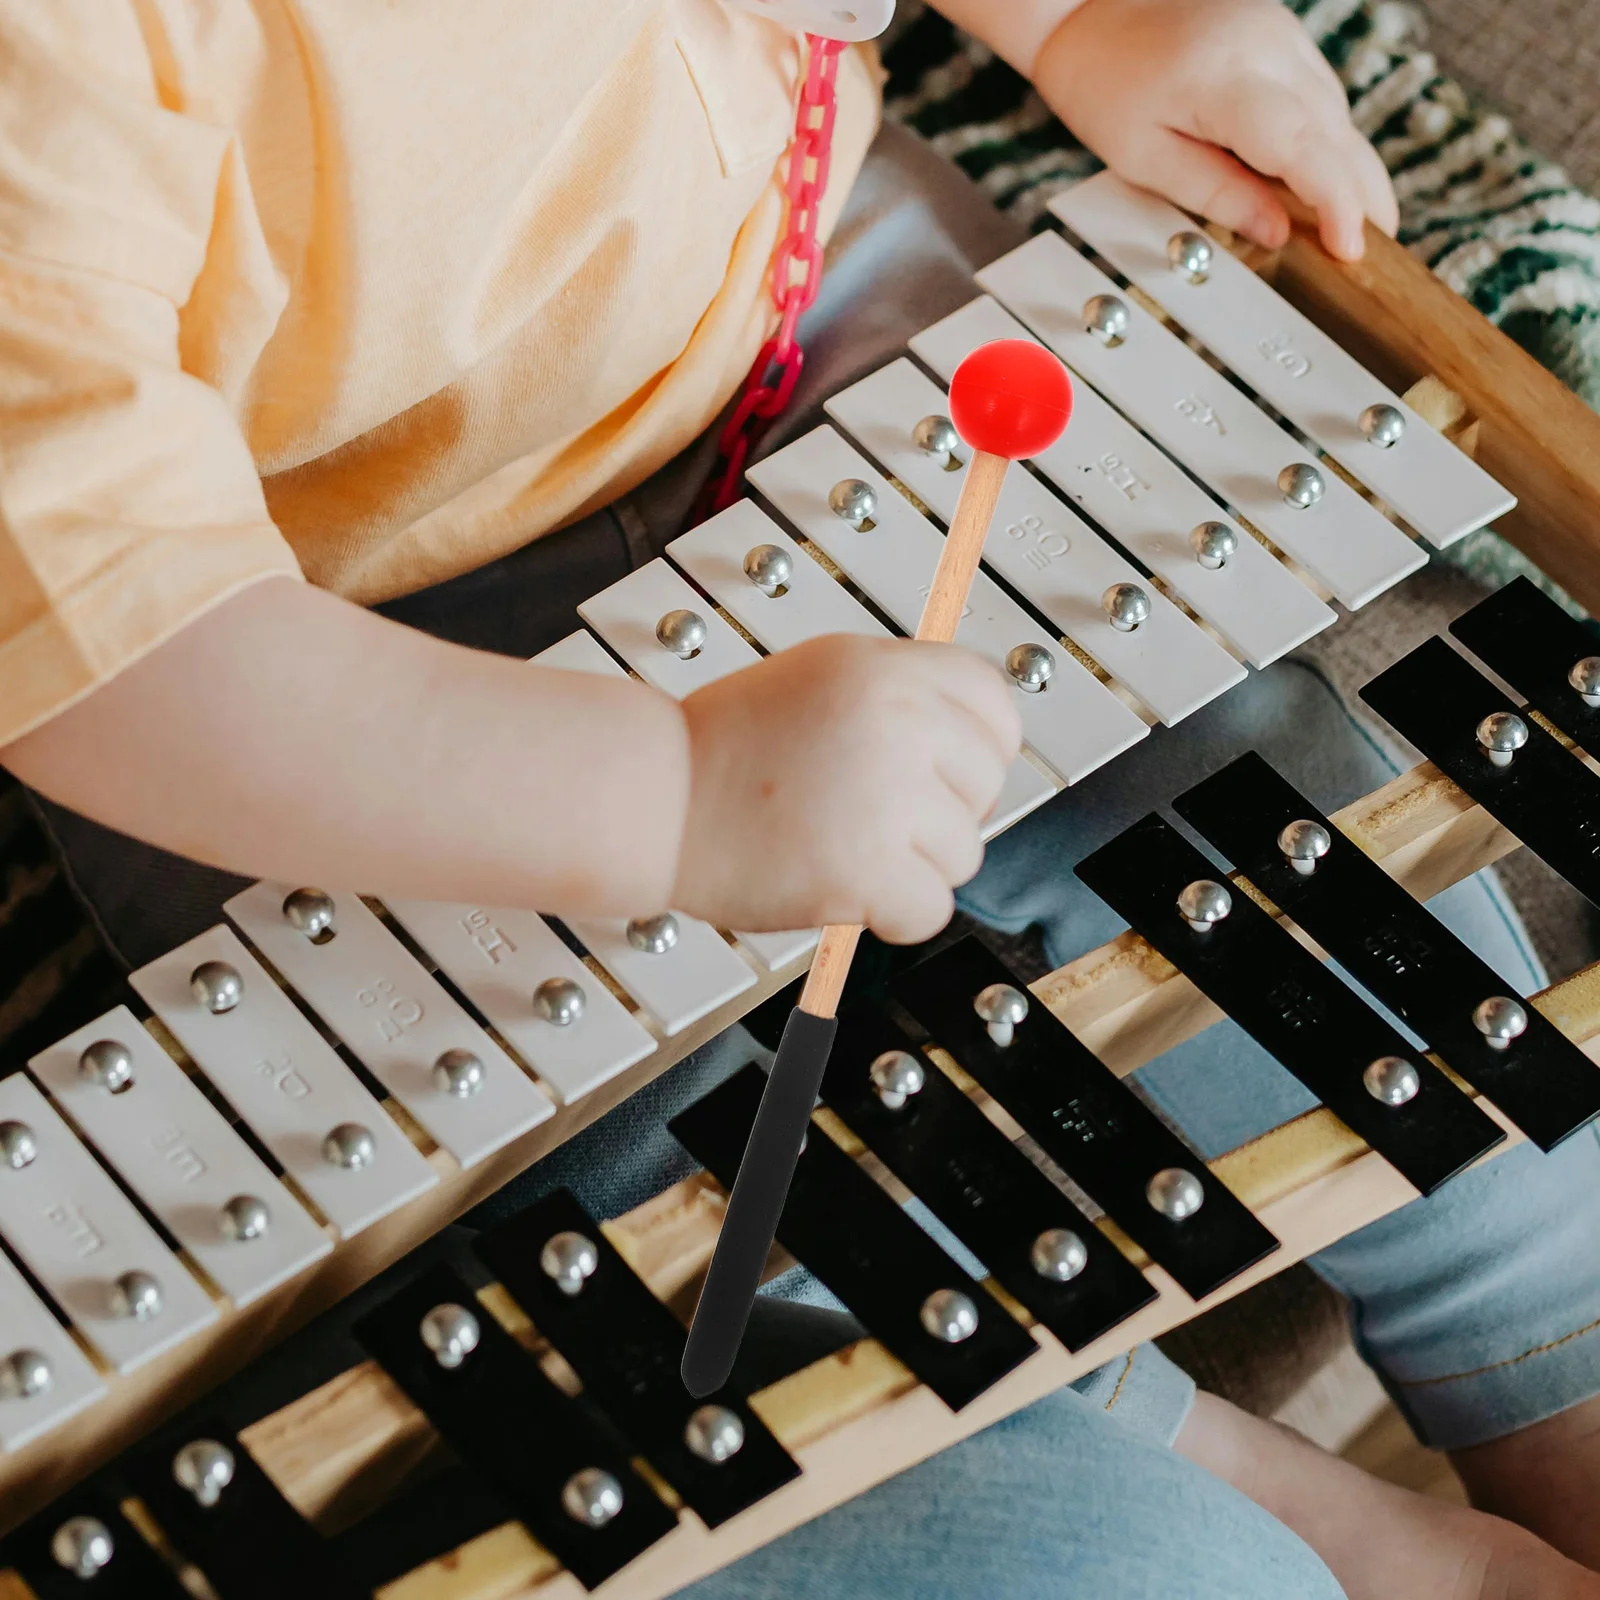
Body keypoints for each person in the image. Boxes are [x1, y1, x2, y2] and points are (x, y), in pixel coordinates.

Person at [2, 0, 1598, 1593]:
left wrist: (1092, 24)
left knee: (1238, 777)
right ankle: (1193, 1452)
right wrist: (673, 800)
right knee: (588, 1180)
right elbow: (118, 639)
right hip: (332, 648)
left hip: (801, 309)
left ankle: (1553, 1325)